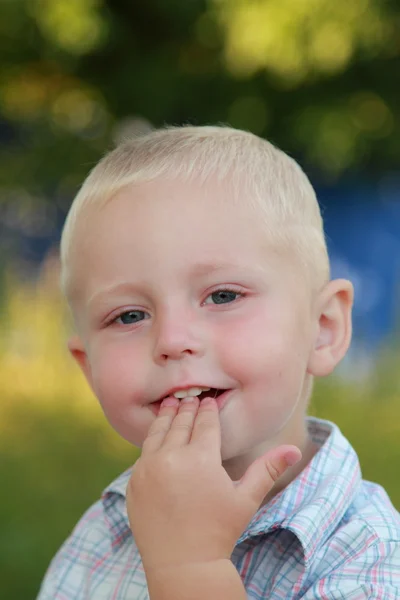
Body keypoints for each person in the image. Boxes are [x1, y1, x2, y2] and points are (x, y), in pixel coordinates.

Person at [37, 126, 400, 599]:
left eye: (223, 295)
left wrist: (189, 567)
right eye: (129, 315)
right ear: (89, 369)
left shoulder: (371, 556)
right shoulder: (102, 535)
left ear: (323, 328)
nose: (172, 340)